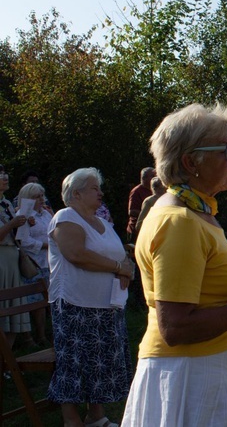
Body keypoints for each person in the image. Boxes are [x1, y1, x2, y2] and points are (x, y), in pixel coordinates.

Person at [122, 103, 227, 426]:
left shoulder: (197, 211)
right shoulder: (179, 221)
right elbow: (176, 326)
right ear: (190, 161)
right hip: (186, 381)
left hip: (202, 374)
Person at [47, 167, 136, 427]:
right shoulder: (66, 217)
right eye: (94, 188)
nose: (101, 193)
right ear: (76, 193)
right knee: (75, 364)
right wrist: (118, 268)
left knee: (100, 362)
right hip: (75, 305)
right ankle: (71, 419)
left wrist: (126, 266)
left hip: (107, 305)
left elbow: (118, 254)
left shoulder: (102, 222)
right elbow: (76, 254)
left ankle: (96, 416)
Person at [17, 182, 54, 346]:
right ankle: (39, 335)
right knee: (37, 301)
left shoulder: (45, 214)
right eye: (36, 196)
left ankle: (50, 332)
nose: (41, 199)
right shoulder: (23, 215)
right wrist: (44, 246)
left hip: (50, 261)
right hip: (34, 262)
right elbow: (23, 241)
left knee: (50, 298)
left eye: (41, 195)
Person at [0, 166, 32, 350]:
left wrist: (24, 224)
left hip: (12, 260)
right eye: (0, 174)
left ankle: (5, 361)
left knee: (13, 316)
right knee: (3, 311)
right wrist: (13, 223)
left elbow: (16, 234)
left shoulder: (7, 204)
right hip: (1, 260)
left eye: (5, 173)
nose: (5, 177)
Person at [126, 167, 156, 241]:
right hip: (137, 231)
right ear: (144, 178)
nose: (155, 178)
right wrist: (148, 214)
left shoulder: (154, 190)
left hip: (150, 229)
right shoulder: (136, 191)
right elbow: (131, 211)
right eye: (152, 176)